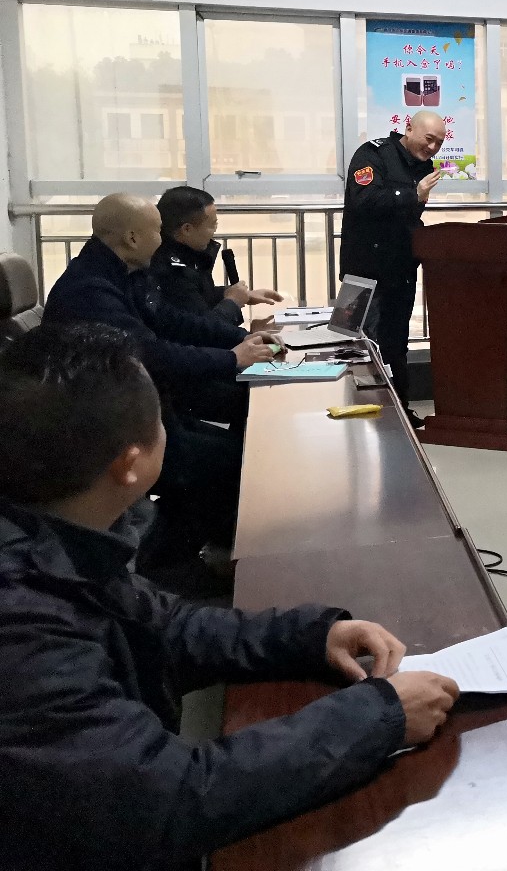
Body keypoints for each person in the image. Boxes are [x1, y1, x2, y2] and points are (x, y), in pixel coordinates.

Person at [0, 323, 461, 871]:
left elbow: (164, 625)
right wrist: (379, 716)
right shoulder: (21, 619)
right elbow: (168, 800)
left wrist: (312, 636)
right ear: (130, 464)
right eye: (160, 420)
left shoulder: (60, 535)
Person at [42, 195, 276, 573]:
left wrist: (238, 341)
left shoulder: (125, 274)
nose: (162, 239)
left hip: (143, 410)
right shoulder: (91, 290)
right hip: (107, 428)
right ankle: (173, 568)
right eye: (156, 231)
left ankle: (212, 548)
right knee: (230, 462)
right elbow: (151, 355)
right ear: (133, 238)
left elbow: (172, 321)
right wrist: (233, 359)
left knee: (239, 450)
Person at [339, 110, 446, 425]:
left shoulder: (423, 166)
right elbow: (364, 200)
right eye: (429, 139)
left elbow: (406, 216)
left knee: (396, 344)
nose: (432, 148)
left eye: (439, 143)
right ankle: (359, 414)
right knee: (357, 344)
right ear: (409, 128)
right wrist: (413, 194)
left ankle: (399, 412)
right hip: (362, 272)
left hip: (400, 270)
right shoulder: (372, 154)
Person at [151, 187, 282, 326]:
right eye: (212, 225)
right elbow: (204, 328)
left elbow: (197, 296)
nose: (214, 231)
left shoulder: (189, 256)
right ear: (187, 229)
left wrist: (234, 294)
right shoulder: (172, 271)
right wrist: (232, 303)